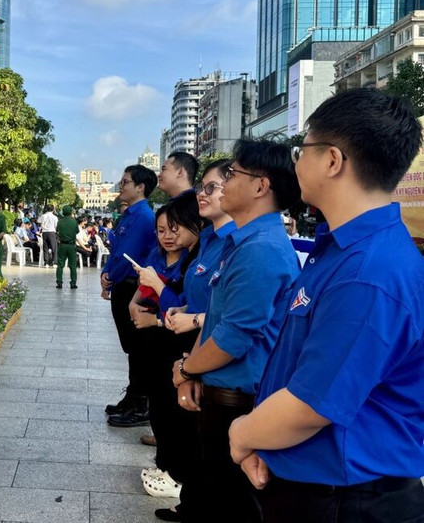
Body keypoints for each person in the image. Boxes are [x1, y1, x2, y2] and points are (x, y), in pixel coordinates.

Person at [228, 88, 424, 522]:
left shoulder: (369, 271)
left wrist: (242, 434)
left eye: (302, 150)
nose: (296, 163)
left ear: (332, 160)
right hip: (315, 484)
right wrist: (267, 442)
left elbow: (310, 405)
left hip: (348, 501)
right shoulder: (341, 251)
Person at [172, 139, 301, 522]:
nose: (223, 183)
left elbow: (234, 338)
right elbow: (217, 317)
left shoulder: (261, 249)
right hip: (219, 392)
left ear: (261, 186)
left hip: (239, 402)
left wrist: (186, 369)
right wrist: (191, 369)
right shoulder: (239, 243)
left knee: (229, 505)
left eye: (231, 174)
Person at [136, 160, 236, 522]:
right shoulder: (211, 241)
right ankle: (191, 502)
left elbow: (234, 322)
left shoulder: (248, 246)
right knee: (194, 440)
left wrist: (189, 365)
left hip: (216, 364)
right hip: (192, 352)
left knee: (205, 449)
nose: (201, 195)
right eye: (202, 188)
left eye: (211, 187)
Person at [118, 195, 205, 508]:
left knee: (176, 412)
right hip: (157, 342)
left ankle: (177, 474)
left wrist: (157, 310)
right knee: (160, 404)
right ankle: (167, 465)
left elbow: (189, 309)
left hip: (181, 344)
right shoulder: (159, 255)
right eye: (162, 230)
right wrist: (135, 304)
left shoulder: (198, 258)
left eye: (174, 228)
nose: (168, 235)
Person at [100, 165, 158, 423]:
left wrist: (110, 277)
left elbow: (129, 255)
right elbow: (116, 249)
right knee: (132, 347)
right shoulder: (129, 214)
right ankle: (132, 397)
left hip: (133, 286)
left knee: (138, 347)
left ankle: (140, 404)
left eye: (125, 182)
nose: (121, 186)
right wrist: (106, 274)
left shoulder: (143, 216)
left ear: (140, 187)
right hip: (122, 284)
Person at [55, 205, 79, 289]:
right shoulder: (74, 221)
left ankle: (59, 282)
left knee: (60, 265)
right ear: (70, 212)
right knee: (73, 266)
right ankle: (73, 283)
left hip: (62, 245)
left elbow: (57, 231)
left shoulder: (60, 221)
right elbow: (77, 231)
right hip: (71, 246)